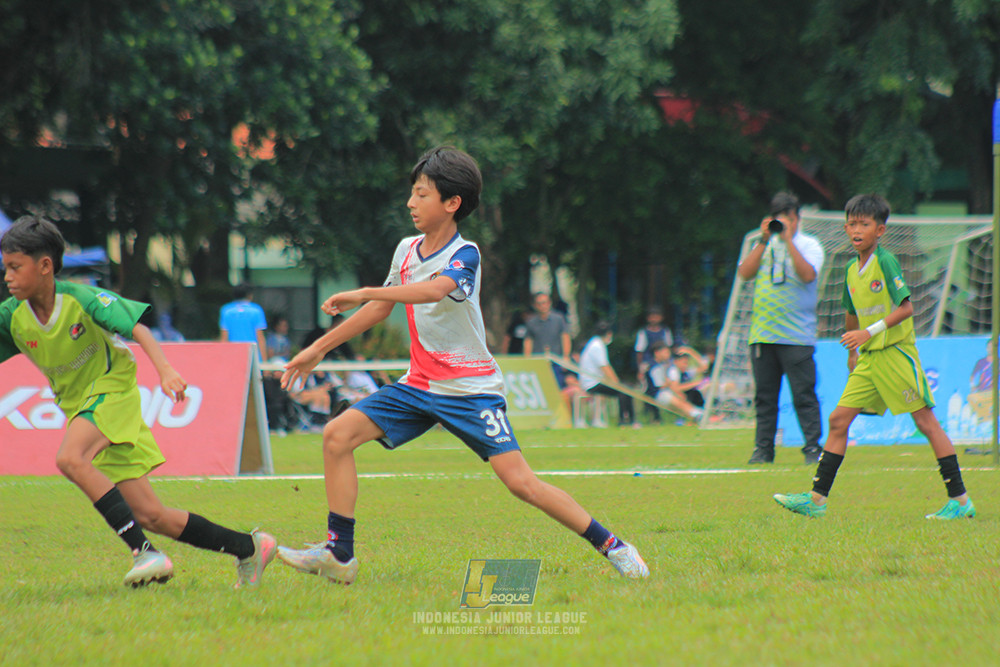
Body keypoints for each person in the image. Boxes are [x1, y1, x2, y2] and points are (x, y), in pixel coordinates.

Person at [275, 146, 648, 583]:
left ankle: (614, 546)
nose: (411, 203)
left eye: (421, 194)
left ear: (452, 203)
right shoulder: (406, 250)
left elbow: (434, 291)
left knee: (521, 484)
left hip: (471, 391)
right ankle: (339, 555)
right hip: (418, 386)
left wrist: (364, 290)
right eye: (412, 194)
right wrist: (320, 347)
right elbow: (379, 311)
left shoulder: (465, 254)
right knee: (337, 435)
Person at [0, 216, 276, 588]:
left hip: (113, 393)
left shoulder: (80, 299)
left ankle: (145, 553)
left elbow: (137, 327)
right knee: (153, 514)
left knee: (70, 458)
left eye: (15, 267)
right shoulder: (13, 318)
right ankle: (250, 548)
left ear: (45, 266)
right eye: (6, 269)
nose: (8, 277)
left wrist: (165, 371)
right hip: (80, 406)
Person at [773, 194, 975, 520]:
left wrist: (869, 333)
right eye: (852, 224)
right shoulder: (852, 270)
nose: (856, 230)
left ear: (879, 230)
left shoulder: (886, 261)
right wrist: (854, 351)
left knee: (925, 423)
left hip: (895, 354)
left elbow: (906, 308)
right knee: (838, 420)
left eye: (864, 224)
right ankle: (816, 500)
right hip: (868, 359)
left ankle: (961, 501)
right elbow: (851, 314)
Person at [737, 191, 825, 464]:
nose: (785, 224)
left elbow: (808, 274)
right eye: (779, 219)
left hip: (797, 336)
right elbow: (744, 273)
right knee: (764, 397)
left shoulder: (809, 245)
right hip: (763, 335)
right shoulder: (762, 245)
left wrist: (788, 241)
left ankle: (812, 448)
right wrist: (765, 240)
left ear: (797, 219)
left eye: (789, 219)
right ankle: (763, 450)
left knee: (804, 395)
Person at [578, 321, 638, 428]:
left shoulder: (594, 343)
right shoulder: (597, 346)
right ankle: (624, 420)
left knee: (625, 388)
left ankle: (631, 420)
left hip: (592, 381)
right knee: (623, 390)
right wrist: (617, 383)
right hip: (592, 384)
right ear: (609, 333)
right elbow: (605, 367)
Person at [523, 291, 573, 402]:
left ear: (549, 303)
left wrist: (566, 356)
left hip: (556, 361)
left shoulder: (558, 319)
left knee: (558, 389)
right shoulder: (531, 322)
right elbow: (528, 341)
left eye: (545, 303)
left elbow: (565, 337)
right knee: (540, 389)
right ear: (535, 305)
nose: (543, 306)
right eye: (539, 303)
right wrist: (527, 359)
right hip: (538, 362)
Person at [645, 341, 704, 423]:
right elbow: (661, 385)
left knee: (681, 398)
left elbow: (703, 367)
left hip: (668, 390)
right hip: (658, 394)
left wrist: (690, 351)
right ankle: (697, 415)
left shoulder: (666, 364)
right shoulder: (654, 367)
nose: (668, 354)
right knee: (675, 398)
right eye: (665, 352)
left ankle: (697, 414)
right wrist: (673, 384)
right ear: (657, 353)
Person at [634, 307, 673, 425]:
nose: (654, 318)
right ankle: (651, 414)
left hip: (662, 365)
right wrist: (640, 369)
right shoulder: (643, 332)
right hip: (648, 364)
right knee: (649, 389)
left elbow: (668, 348)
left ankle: (659, 415)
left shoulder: (665, 331)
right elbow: (639, 351)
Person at [219, 283, 268, 361]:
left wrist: (222, 358)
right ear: (249, 295)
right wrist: (265, 361)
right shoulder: (256, 310)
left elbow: (224, 337)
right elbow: (260, 337)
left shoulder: (226, 310)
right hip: (252, 355)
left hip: (233, 355)